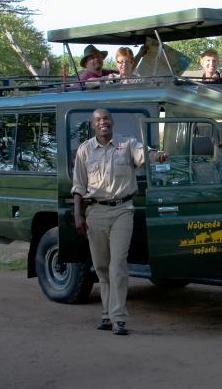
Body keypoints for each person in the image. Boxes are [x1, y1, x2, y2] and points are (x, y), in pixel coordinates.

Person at [71, 108, 167, 335]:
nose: (102, 122)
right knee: (102, 267)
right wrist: (77, 215)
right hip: (95, 212)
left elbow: (146, 154)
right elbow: (78, 186)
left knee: (118, 264)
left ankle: (118, 318)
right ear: (93, 125)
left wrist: (157, 155)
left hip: (123, 210)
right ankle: (106, 314)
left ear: (112, 122)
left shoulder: (127, 144)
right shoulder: (85, 150)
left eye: (105, 118)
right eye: (97, 120)